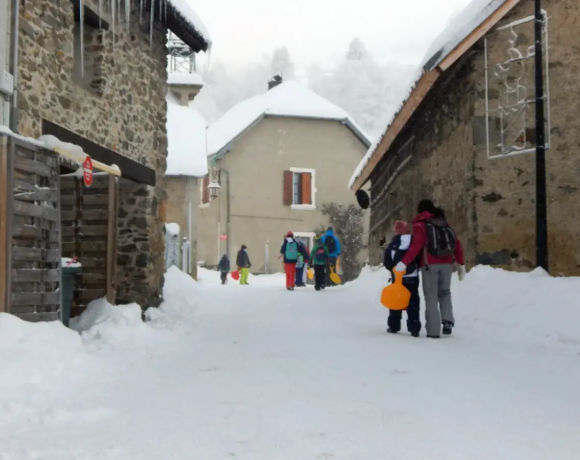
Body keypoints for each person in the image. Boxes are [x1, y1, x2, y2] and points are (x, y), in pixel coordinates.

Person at [395, 199, 465, 338]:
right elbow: (456, 244)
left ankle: (433, 331)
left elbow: (416, 246)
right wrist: (461, 264)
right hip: (447, 264)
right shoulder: (444, 223)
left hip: (429, 264)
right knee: (445, 292)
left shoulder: (421, 225)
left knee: (431, 297)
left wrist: (403, 263)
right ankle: (447, 321)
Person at [384, 221, 421, 337]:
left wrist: (394, 270)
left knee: (396, 300)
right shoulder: (414, 242)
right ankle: (414, 327)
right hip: (413, 277)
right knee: (413, 301)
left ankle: (394, 325)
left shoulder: (393, 244)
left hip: (398, 278)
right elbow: (420, 259)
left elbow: (387, 262)